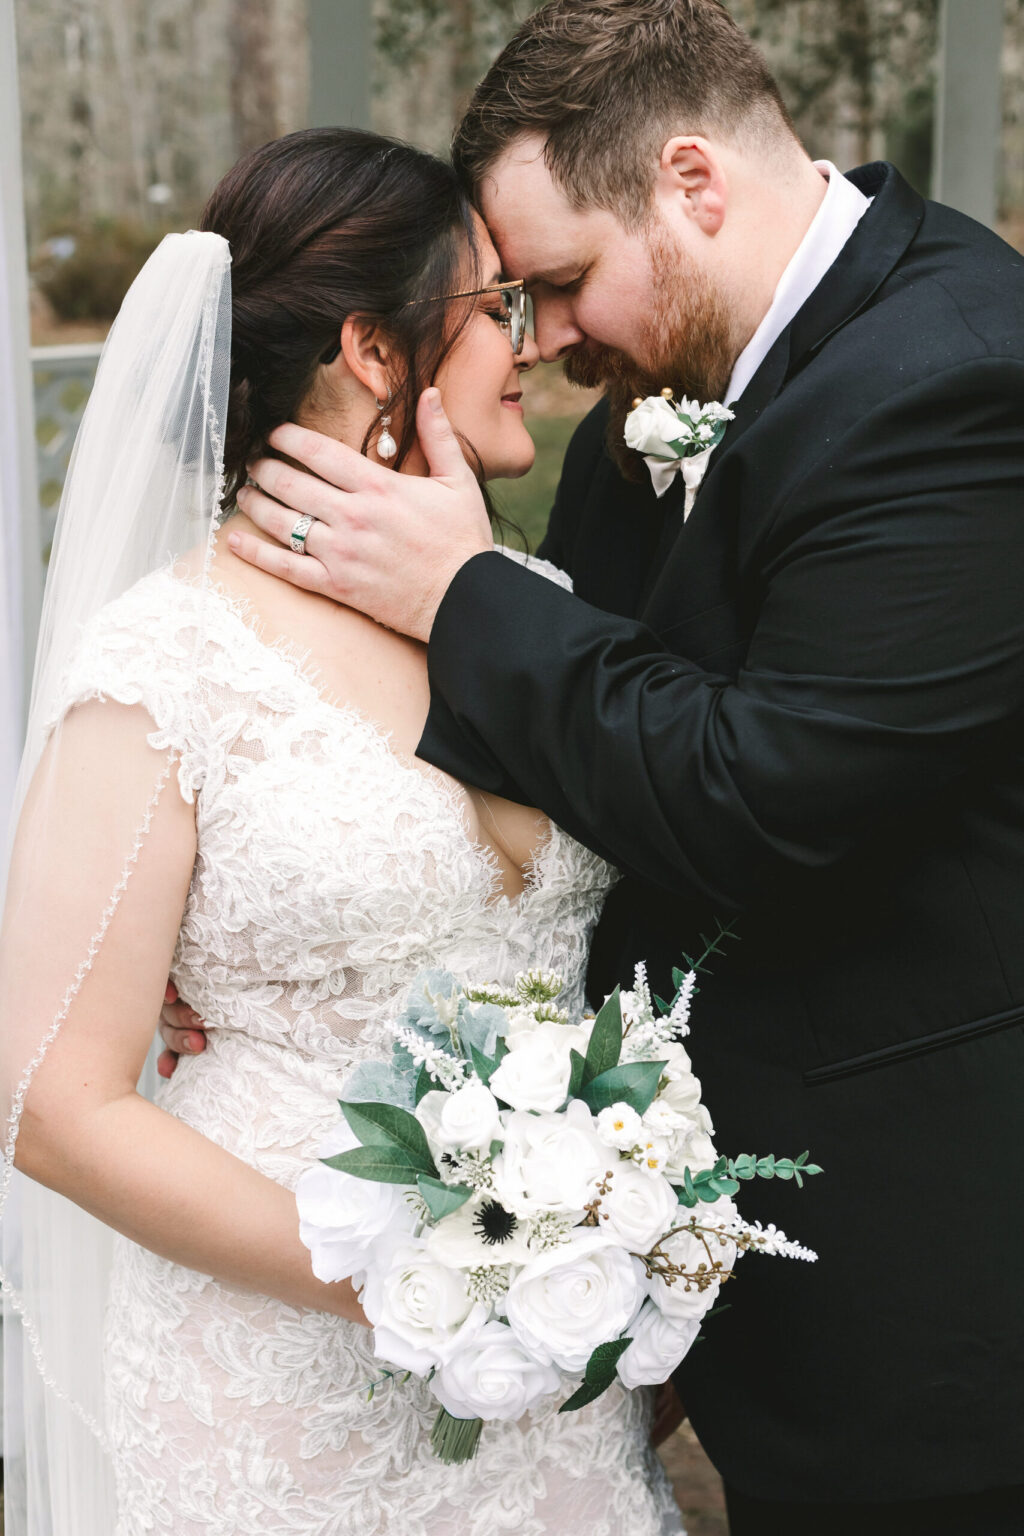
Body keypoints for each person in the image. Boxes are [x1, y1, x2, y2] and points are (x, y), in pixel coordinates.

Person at [199, 2, 1024, 1532]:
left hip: (940, 1314)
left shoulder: (966, 375)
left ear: (693, 183)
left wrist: (465, 593)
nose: (554, 338)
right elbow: (575, 785)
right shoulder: (639, 420)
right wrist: (237, 930)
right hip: (687, 1291)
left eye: (563, 282)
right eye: (516, 301)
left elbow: (765, 796)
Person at [0, 127, 684, 1536]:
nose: (534, 342)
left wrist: (574, 1248)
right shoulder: (169, 665)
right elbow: (53, 1105)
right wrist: (420, 1266)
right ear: (377, 350)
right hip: (284, 1389)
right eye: (496, 307)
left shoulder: (528, 601)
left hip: (547, 1386)